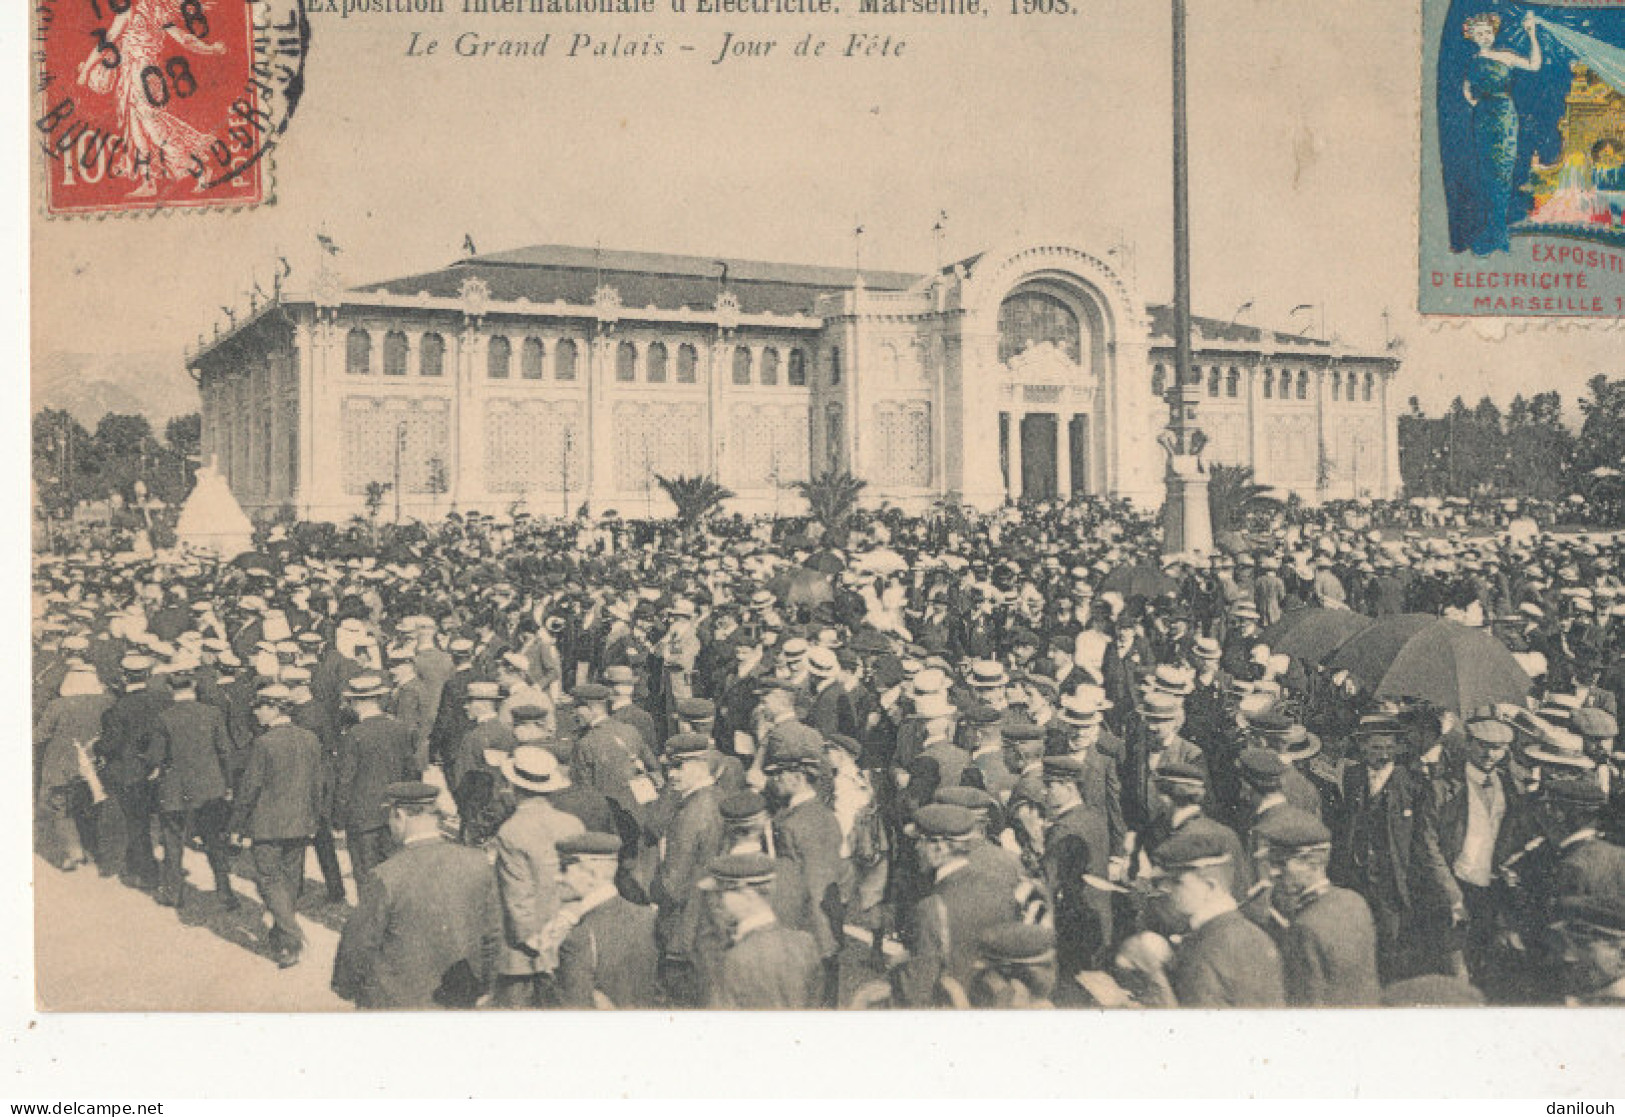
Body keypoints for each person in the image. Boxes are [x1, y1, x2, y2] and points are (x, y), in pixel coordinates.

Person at [331, 782, 502, 1009]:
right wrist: (486, 987)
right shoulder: (478, 862)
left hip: (398, 1005)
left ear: (399, 815)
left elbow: (357, 945)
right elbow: (493, 933)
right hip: (459, 998)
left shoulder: (385, 876)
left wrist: (345, 987)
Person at [1140, 828, 1287, 1008]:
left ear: (1210, 886)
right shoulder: (1258, 937)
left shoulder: (1202, 953)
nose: (1166, 889)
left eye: (1177, 881)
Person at [893, 803, 1020, 1007]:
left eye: (920, 842)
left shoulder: (930, 908)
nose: (916, 849)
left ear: (939, 847)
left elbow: (917, 991)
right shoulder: (998, 890)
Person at [235, 684, 325, 968]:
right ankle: (283, 939)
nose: (257, 712)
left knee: (269, 880)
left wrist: (236, 823)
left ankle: (291, 936)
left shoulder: (264, 743)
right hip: (301, 821)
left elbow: (250, 788)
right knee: (289, 880)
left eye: (260, 706)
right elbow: (319, 784)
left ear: (274, 708)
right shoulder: (310, 739)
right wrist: (315, 817)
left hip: (268, 824)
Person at [1254, 807, 1380, 1006]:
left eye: (1281, 863)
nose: (1273, 872)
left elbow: (1307, 1005)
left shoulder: (1304, 928)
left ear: (1312, 864)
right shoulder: (1355, 901)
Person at [490, 745, 586, 1007]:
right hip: (568, 944)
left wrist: (541, 949)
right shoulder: (571, 824)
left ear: (512, 786)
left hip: (525, 955)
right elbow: (579, 887)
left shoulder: (512, 831)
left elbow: (519, 902)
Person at [147, 667, 238, 912]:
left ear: (170, 689)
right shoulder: (213, 714)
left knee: (173, 841)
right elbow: (225, 751)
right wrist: (228, 784)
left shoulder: (164, 718)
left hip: (175, 790)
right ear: (194, 687)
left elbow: (156, 756)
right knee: (214, 841)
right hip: (210, 789)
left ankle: (173, 893)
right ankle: (225, 892)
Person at [766, 738, 847, 1006]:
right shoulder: (824, 815)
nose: (774, 780)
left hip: (806, 933)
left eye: (779, 774)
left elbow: (807, 885)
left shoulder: (794, 824)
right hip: (827, 931)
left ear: (798, 778)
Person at [651, 732, 724, 1006]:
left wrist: (652, 896)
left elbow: (673, 884)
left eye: (678, 767)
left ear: (698, 766)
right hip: (708, 923)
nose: (672, 775)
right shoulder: (718, 798)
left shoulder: (690, 814)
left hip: (683, 928)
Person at [1460, 11, 1542, 255]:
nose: (1484, 36)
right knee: (1487, 172)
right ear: (1472, 36)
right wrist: (1477, 104)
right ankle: (1494, 229)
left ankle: (1499, 231)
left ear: (1493, 33)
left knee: (1502, 169)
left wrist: (1532, 34)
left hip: (1504, 115)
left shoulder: (1505, 56)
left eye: (1487, 31)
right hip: (1483, 117)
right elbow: (1466, 89)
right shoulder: (1473, 61)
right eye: (1479, 33)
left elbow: (1534, 65)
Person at [553, 833, 660, 1009]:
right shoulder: (648, 918)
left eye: (563, 868)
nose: (557, 877)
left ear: (592, 873)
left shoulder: (578, 937)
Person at [332, 675, 417, 885]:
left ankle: (371, 917)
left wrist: (338, 818)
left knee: (366, 875)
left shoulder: (355, 735)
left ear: (356, 702)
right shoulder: (400, 728)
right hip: (394, 814)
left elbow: (345, 780)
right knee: (394, 873)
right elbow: (410, 772)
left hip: (363, 818)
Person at [97, 654, 169, 890]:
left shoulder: (120, 707)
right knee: (149, 820)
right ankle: (136, 865)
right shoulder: (163, 700)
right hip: (159, 769)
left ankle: (147, 873)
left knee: (136, 822)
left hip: (131, 772)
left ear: (124, 676)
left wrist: (98, 746)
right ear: (148, 675)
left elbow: (111, 743)